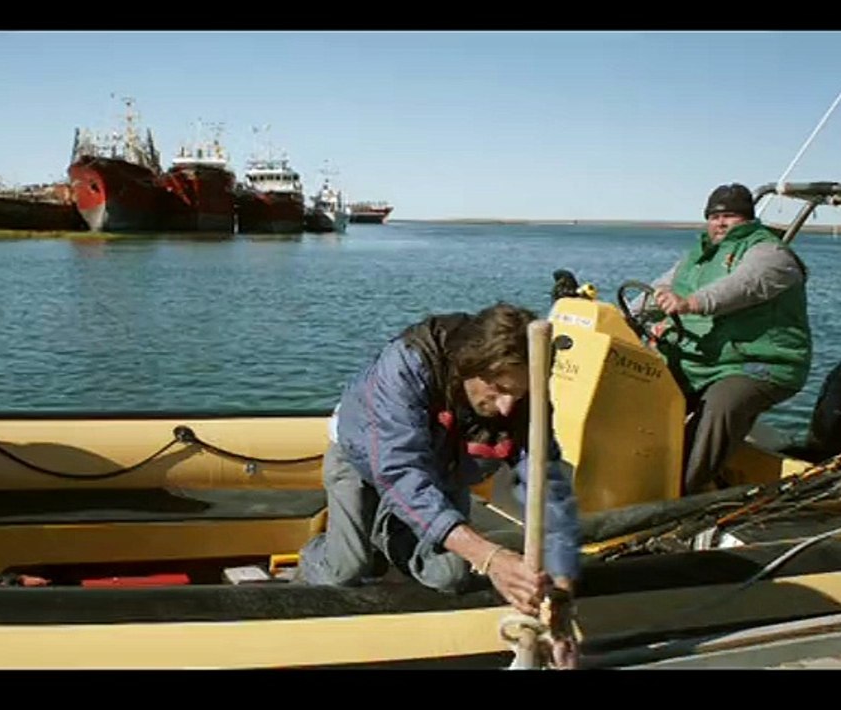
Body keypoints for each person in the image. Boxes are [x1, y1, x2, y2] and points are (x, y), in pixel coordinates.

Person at [297, 301, 580, 667]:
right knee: (345, 569)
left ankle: (388, 534)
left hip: (440, 470)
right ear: (469, 368)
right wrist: (491, 557)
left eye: (518, 393)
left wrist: (560, 604)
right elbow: (399, 473)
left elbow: (551, 490)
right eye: (497, 389)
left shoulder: (525, 396)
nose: (508, 406)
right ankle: (315, 557)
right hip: (364, 459)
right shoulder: (407, 366)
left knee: (450, 576)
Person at [649, 182, 812, 494]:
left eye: (730, 216)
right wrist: (621, 312)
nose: (720, 222)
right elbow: (660, 289)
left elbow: (742, 285)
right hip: (703, 360)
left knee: (723, 403)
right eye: (714, 216)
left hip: (761, 362)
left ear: (749, 219)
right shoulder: (699, 255)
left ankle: (687, 490)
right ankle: (635, 470)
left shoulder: (771, 254)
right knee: (643, 384)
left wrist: (690, 302)